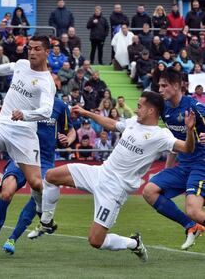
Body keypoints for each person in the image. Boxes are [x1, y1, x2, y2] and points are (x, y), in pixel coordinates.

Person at [30, 91, 196, 262]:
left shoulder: (161, 135)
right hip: (99, 173)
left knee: (95, 241)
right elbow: (111, 124)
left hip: (114, 190)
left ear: (151, 111)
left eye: (140, 106)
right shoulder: (133, 123)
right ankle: (47, 223)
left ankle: (133, 243)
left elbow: (187, 148)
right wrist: (86, 113)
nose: (136, 109)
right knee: (51, 176)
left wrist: (190, 131)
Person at [0, 98, 76, 258]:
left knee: (38, 191)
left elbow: (71, 131)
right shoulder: (24, 100)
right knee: (6, 193)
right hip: (21, 154)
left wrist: (68, 140)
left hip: (44, 161)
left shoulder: (59, 106)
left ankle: (12, 239)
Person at [0, 36, 56, 210]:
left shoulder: (46, 83)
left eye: (37, 49)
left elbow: (46, 111)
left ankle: (41, 211)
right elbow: (9, 67)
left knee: (36, 183)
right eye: (30, 48)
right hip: (3, 124)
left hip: (25, 133)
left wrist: (25, 115)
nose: (32, 52)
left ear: (47, 52)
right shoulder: (22, 64)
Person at [143, 68, 205, 250]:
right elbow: (173, 142)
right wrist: (168, 168)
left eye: (164, 85)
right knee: (149, 191)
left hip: (201, 165)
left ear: (177, 86)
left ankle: (193, 220)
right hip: (183, 166)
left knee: (193, 210)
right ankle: (191, 226)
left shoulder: (195, 107)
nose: (160, 89)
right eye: (159, 85)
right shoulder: (166, 110)